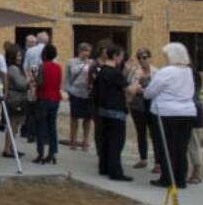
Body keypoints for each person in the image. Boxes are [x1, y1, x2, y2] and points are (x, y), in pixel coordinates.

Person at [140, 42, 198, 189]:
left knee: (167, 147)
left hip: (166, 113)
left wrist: (144, 91)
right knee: (181, 147)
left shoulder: (166, 72)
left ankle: (167, 178)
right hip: (187, 112)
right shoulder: (188, 71)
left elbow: (150, 92)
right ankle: (180, 178)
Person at [92, 44, 139, 181]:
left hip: (103, 111)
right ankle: (115, 171)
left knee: (105, 140)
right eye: (121, 56)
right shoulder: (114, 72)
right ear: (115, 56)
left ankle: (104, 167)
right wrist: (136, 79)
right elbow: (129, 89)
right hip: (115, 112)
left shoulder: (102, 70)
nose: (122, 59)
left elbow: (115, 83)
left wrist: (125, 70)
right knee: (116, 142)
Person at [126, 48, 157, 171]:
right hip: (138, 106)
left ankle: (158, 162)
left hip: (152, 106)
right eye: (139, 58)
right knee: (141, 132)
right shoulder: (134, 72)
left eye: (144, 57)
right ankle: (143, 158)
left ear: (149, 57)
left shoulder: (156, 72)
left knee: (155, 134)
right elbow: (128, 85)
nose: (142, 60)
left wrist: (144, 90)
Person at [33, 44, 63, 165]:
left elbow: (40, 82)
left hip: (43, 97)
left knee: (41, 126)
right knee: (52, 126)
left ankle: (40, 152)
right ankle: (52, 152)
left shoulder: (43, 66)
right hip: (55, 98)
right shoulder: (58, 67)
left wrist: (34, 78)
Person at [65, 42, 93, 150]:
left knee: (87, 118)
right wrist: (66, 90)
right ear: (80, 51)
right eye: (85, 51)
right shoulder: (72, 62)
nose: (87, 53)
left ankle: (85, 141)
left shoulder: (92, 63)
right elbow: (70, 74)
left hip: (88, 94)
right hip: (75, 92)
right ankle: (73, 140)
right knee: (74, 118)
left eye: (88, 51)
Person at [2, 46, 29, 159]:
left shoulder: (15, 68)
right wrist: (28, 79)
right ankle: (8, 148)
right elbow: (21, 84)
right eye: (18, 55)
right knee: (12, 124)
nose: (20, 57)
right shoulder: (13, 68)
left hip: (17, 98)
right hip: (15, 99)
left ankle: (11, 147)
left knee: (15, 125)